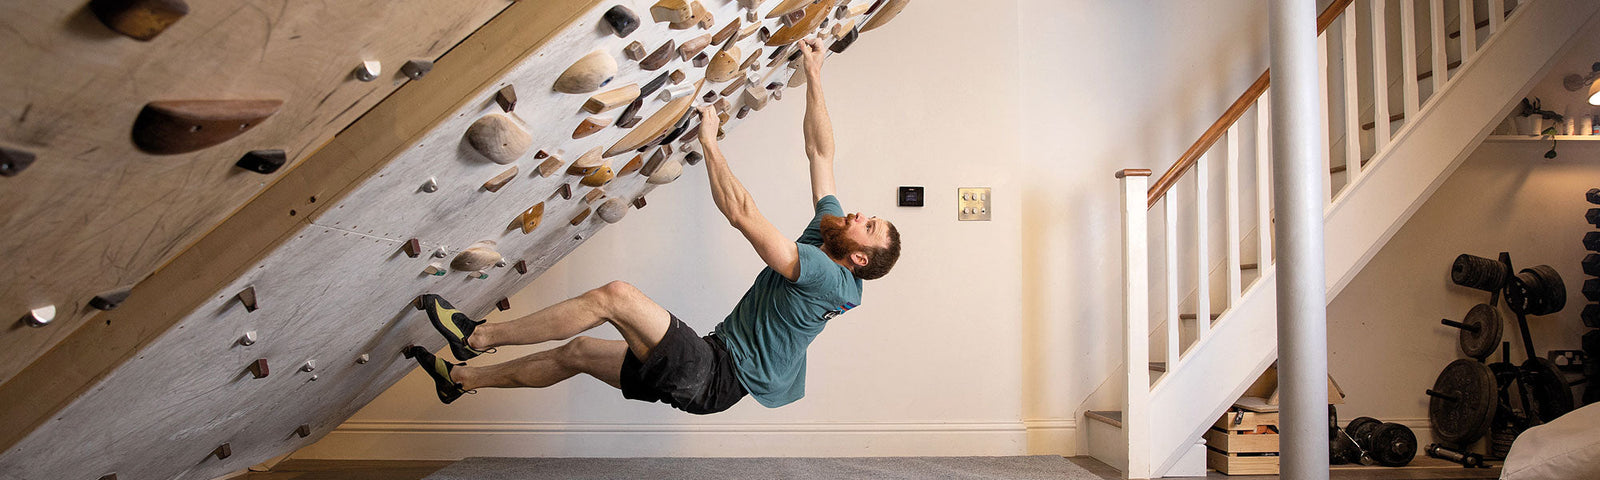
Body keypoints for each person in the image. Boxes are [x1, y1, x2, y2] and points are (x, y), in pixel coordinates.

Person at [403, 37, 901, 414]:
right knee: (576, 352)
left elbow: (741, 215)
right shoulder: (832, 236)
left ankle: (479, 337)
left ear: (859, 259)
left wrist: (709, 141)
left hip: (714, 377)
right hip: (711, 355)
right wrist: (814, 72)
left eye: (869, 226)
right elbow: (821, 153)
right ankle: (462, 380)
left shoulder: (825, 274)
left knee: (615, 296)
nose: (859, 215)